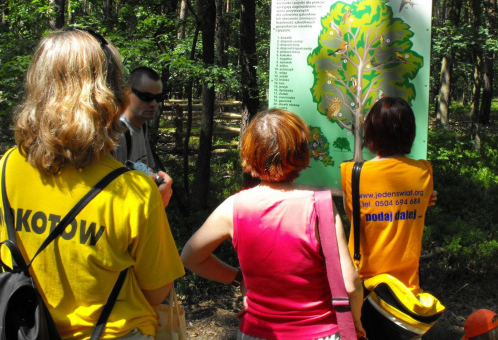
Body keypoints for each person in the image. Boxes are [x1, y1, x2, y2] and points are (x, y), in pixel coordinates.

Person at [1, 29, 185, 339]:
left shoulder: (6, 167)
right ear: (109, 94)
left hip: (25, 327)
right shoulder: (133, 191)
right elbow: (157, 292)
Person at [181, 109, 365, 340]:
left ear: (249, 152)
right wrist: (355, 321)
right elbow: (350, 285)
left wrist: (239, 278)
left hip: (257, 333)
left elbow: (190, 257)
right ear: (301, 152)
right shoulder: (321, 206)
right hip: (319, 333)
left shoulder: (233, 207)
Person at [340, 96, 436, 340]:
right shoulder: (424, 171)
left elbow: (354, 219)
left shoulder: (352, 173)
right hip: (406, 293)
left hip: (363, 291)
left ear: (371, 131)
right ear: (410, 133)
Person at [114, 66, 173, 207]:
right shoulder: (118, 136)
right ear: (127, 93)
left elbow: (148, 169)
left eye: (158, 98)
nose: (153, 104)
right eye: (146, 97)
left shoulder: (142, 126)